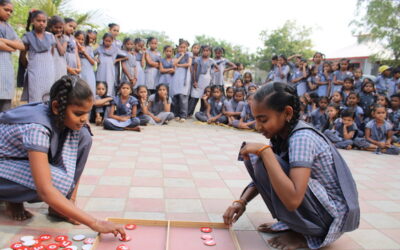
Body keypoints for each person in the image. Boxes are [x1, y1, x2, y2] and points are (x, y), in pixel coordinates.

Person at [223, 82, 360, 250]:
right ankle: (295, 224)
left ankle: (304, 232)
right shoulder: (282, 134)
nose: (258, 127)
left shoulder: (301, 138)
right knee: (261, 156)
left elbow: (293, 200)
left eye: (263, 119)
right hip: (319, 209)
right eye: (255, 119)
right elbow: (269, 173)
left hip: (329, 219)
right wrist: (241, 202)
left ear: (287, 113)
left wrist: (265, 152)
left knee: (262, 155)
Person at [0, 76, 126, 238]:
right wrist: (94, 223)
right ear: (56, 107)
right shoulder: (37, 128)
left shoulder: (65, 118)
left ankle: (60, 207)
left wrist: (70, 204)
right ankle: (12, 198)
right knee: (57, 183)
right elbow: (45, 189)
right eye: (78, 113)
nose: (84, 118)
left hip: (19, 160)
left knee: (84, 135)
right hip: (4, 161)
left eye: (87, 112)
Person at [19, 10, 55, 103]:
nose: (41, 23)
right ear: (32, 21)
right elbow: (22, 55)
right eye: (38, 21)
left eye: (44, 21)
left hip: (48, 71)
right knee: (35, 95)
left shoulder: (50, 36)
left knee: (48, 95)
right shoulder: (28, 36)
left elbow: (52, 53)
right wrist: (30, 66)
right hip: (35, 70)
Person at [0, 0, 24, 111]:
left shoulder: (9, 27)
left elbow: (21, 46)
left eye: (11, 11)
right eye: (6, 10)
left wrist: (3, 40)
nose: (9, 13)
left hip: (6, 72)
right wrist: (12, 46)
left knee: (5, 110)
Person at [188, 45, 217, 117]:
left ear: (210, 52)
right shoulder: (198, 59)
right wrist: (195, 81)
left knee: (204, 97)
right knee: (194, 97)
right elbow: (194, 71)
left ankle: (201, 113)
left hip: (207, 81)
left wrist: (212, 73)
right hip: (198, 80)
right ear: (201, 51)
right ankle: (189, 113)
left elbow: (217, 68)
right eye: (204, 50)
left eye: (207, 51)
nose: (205, 52)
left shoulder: (211, 61)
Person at [170, 39, 192, 122]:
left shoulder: (189, 54)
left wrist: (178, 65)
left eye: (184, 47)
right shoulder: (177, 55)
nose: (182, 49)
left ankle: (183, 115)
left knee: (183, 96)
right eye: (181, 47)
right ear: (178, 47)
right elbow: (174, 63)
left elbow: (188, 64)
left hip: (185, 75)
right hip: (177, 76)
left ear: (187, 48)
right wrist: (181, 56)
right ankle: (176, 114)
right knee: (176, 95)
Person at [76, 30, 96, 95]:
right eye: (78, 39)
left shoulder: (89, 48)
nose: (80, 41)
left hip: (88, 71)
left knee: (89, 88)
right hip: (79, 70)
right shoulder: (72, 47)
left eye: (82, 39)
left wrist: (84, 53)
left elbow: (93, 62)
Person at [48, 16, 67, 81]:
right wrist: (53, 38)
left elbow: (62, 52)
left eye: (60, 27)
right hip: (50, 64)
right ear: (50, 27)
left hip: (61, 65)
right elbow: (51, 53)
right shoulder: (47, 37)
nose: (58, 30)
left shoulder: (64, 38)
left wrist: (55, 38)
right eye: (56, 27)